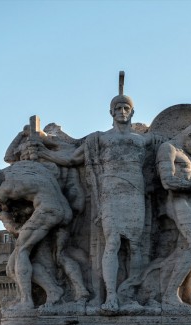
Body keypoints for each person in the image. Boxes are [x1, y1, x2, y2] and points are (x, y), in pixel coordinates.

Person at [37, 93, 153, 313]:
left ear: (132, 112)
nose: (122, 112)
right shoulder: (99, 138)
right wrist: (44, 152)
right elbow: (72, 156)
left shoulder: (144, 140)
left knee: (136, 246)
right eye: (117, 108)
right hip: (110, 194)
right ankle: (110, 296)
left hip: (135, 194)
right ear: (111, 112)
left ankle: (128, 293)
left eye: (126, 108)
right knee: (112, 243)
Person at [0, 161, 89, 309]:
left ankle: (26, 301)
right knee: (58, 256)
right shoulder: (21, 168)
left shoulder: (4, 190)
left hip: (48, 210)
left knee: (22, 251)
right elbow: (52, 170)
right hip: (65, 211)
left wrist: (5, 214)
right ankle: (73, 291)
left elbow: (9, 220)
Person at [155, 124, 191, 311]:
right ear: (189, 135)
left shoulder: (186, 155)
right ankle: (170, 295)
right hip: (177, 203)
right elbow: (167, 180)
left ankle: (182, 292)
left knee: (186, 249)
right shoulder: (168, 149)